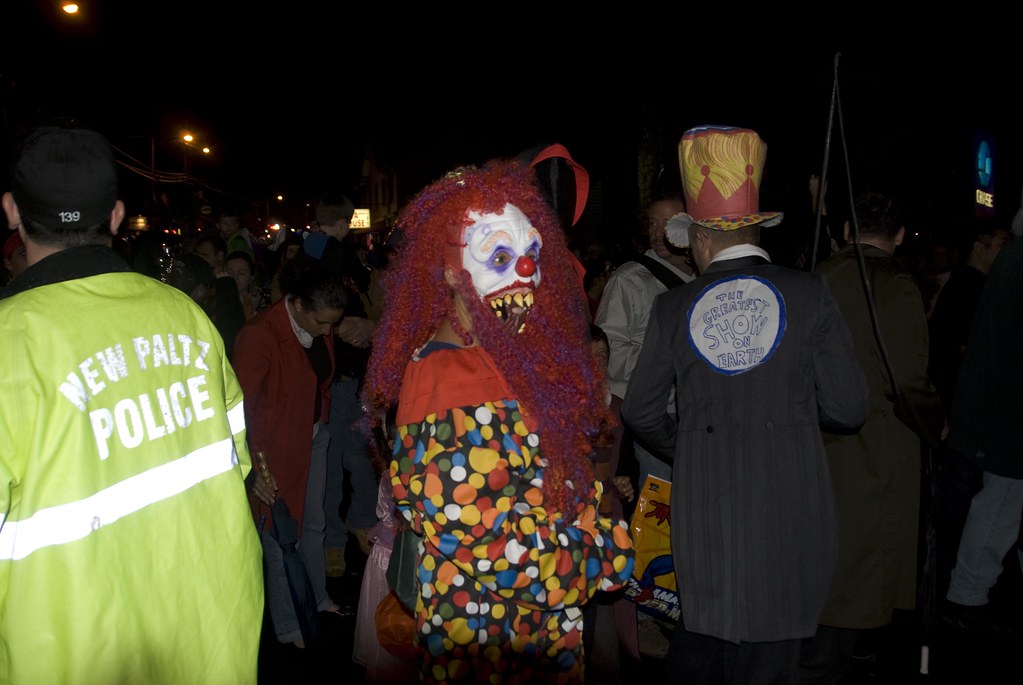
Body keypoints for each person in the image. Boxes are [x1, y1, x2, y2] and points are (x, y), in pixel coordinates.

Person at [0, 119, 263, 682]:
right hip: (210, 639)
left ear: (12, 211)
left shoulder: (8, 341)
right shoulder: (186, 317)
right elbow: (235, 459)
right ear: (117, 216)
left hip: (72, 655)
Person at [363, 160, 635, 684]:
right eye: (500, 256)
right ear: (450, 270)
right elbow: (492, 547)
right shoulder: (447, 382)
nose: (527, 271)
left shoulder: (499, 356)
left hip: (535, 634)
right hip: (494, 643)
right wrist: (604, 554)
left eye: (532, 252)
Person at [621, 125, 869, 684]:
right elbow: (849, 408)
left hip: (704, 506)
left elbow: (640, 412)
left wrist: (689, 446)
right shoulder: (810, 293)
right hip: (790, 505)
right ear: (757, 229)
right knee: (773, 653)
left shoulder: (672, 307)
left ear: (701, 240)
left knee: (707, 639)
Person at [805, 191, 946, 680]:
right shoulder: (894, 284)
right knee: (860, 567)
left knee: (826, 557)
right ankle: (835, 661)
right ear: (900, 236)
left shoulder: (817, 276)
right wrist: (936, 425)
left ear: (847, 230)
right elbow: (906, 378)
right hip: (875, 444)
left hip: (816, 439)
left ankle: (823, 654)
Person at [941, 213, 1022, 634]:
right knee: (997, 507)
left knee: (994, 504)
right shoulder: (1010, 268)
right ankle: (966, 595)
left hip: (986, 411)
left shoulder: (1006, 266)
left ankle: (966, 592)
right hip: (1002, 415)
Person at [305, 193, 378, 577]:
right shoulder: (324, 260)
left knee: (360, 460)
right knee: (332, 466)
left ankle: (359, 521)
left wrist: (371, 327)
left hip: (356, 376)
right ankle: (333, 539)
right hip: (332, 378)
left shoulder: (343, 261)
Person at [225, 249, 271, 321]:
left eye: (241, 273)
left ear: (251, 277)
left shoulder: (261, 300)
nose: (235, 277)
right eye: (231, 273)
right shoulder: (218, 298)